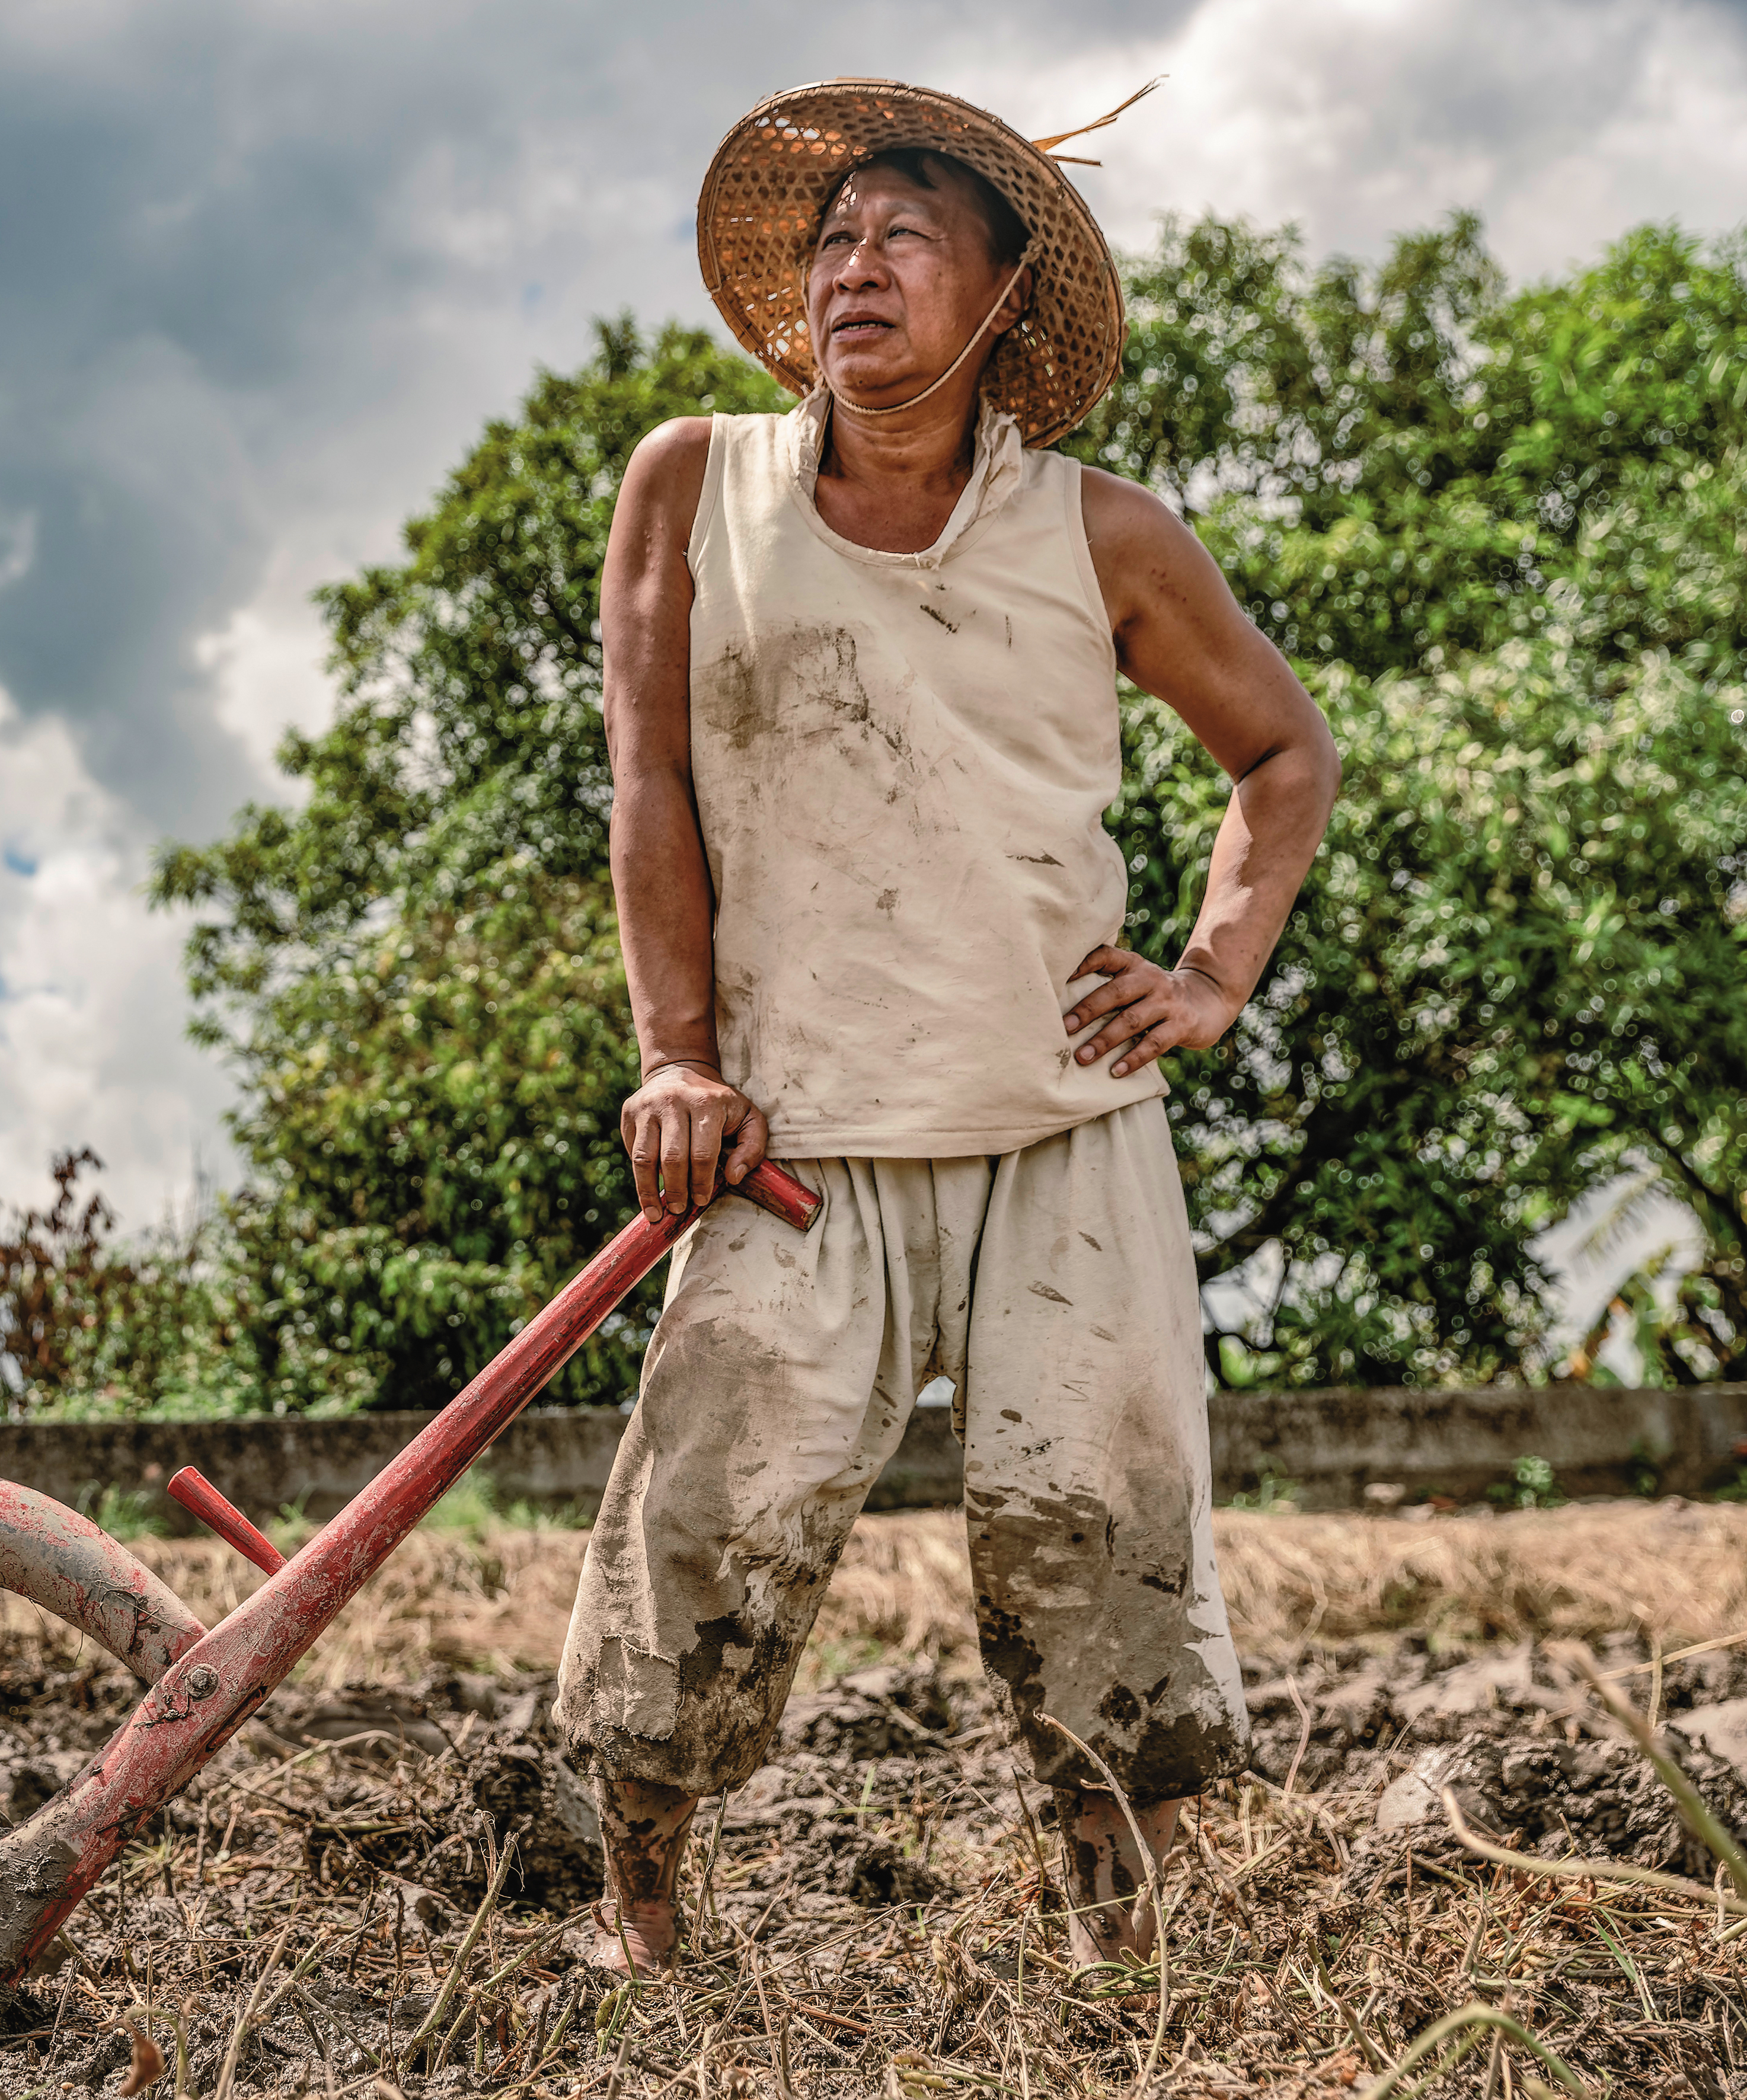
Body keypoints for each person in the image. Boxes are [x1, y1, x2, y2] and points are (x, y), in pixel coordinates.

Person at [555, 79, 1339, 1974]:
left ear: (999, 301)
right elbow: (648, 782)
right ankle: (644, 1933)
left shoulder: (1105, 535)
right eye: (834, 238)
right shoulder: (691, 483)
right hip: (795, 1134)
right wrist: (678, 1054)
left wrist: (1217, 977)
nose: (855, 263)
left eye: (907, 233)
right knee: (708, 1521)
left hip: (1061, 1121)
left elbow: (1285, 753)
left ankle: (1119, 1955)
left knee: (1096, 1523)